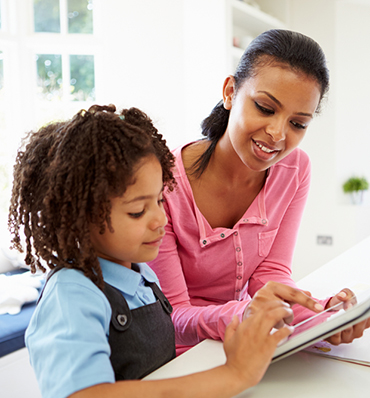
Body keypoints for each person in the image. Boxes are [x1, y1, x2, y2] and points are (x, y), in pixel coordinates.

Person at [8, 104, 300, 398]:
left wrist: (244, 325)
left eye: (160, 200)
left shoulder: (141, 276)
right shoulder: (71, 296)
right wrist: (232, 376)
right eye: (137, 211)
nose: (161, 220)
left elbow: (165, 353)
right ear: (77, 218)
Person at [148, 29, 370, 355]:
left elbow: (270, 273)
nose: (278, 134)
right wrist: (248, 313)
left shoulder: (295, 170)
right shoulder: (161, 180)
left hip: (243, 340)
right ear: (230, 92)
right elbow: (174, 315)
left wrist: (319, 315)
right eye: (265, 108)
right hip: (176, 355)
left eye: (298, 123)